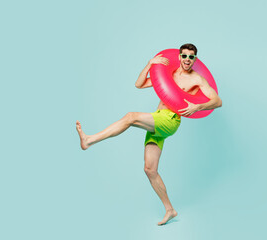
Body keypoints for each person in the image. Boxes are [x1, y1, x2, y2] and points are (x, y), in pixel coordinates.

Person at [76, 43, 222, 225]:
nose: (187, 60)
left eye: (191, 57)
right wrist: (149, 64)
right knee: (150, 170)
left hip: (170, 120)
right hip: (157, 118)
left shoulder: (197, 80)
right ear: (179, 57)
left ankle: (89, 140)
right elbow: (139, 84)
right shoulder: (170, 74)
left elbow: (217, 101)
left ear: (195, 59)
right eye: (184, 56)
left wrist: (197, 106)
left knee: (130, 117)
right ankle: (170, 209)